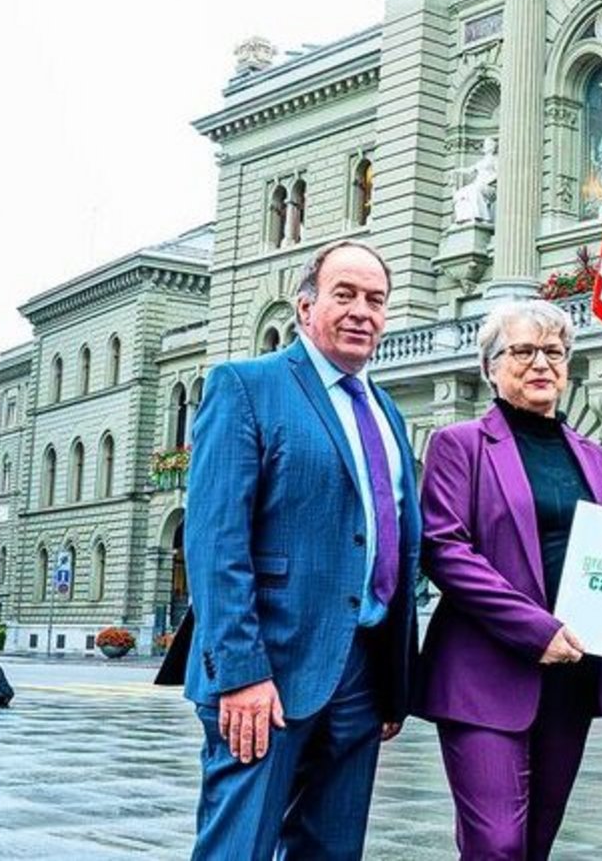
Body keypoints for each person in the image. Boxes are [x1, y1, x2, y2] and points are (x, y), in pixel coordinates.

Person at [181, 239, 422, 858]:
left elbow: (391, 536)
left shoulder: (386, 411)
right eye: (345, 294)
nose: (362, 311)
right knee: (239, 847)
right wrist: (240, 674)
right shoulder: (245, 386)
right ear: (306, 306)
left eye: (376, 299)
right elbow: (215, 544)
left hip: (362, 672)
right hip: (268, 671)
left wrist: (392, 683)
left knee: (331, 851)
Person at [413, 299, 602, 861]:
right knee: (497, 843)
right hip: (483, 673)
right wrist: (537, 630)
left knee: (536, 843)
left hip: (573, 674)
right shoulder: (458, 444)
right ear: (490, 366)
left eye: (554, 352)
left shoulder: (596, 456)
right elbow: (444, 549)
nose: (541, 363)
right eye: (523, 351)